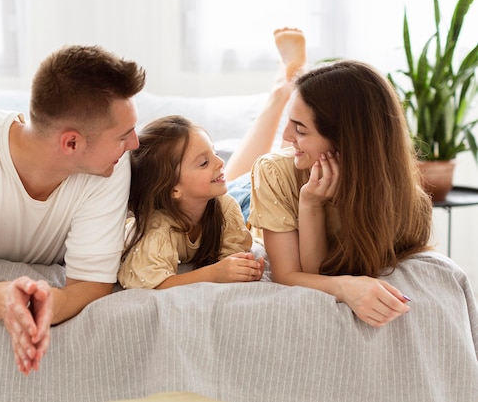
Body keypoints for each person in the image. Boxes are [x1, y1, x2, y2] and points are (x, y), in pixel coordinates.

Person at [0, 45, 146, 375]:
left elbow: (91, 284)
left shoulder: (111, 165)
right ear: (71, 143)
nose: (135, 144)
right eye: (123, 135)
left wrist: (53, 304)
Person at [247, 59, 433, 328]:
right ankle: (280, 85)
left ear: (345, 140)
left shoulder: (409, 203)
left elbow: (315, 273)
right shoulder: (273, 172)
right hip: (250, 202)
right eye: (291, 123)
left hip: (299, 171)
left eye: (300, 128)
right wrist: (310, 203)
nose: (287, 135)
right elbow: (289, 275)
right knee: (227, 174)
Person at [118, 115, 264, 289]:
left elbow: (230, 258)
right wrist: (214, 274)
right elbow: (154, 283)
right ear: (173, 189)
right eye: (204, 163)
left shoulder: (226, 207)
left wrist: (243, 267)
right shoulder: (157, 230)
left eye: (215, 153)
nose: (220, 162)